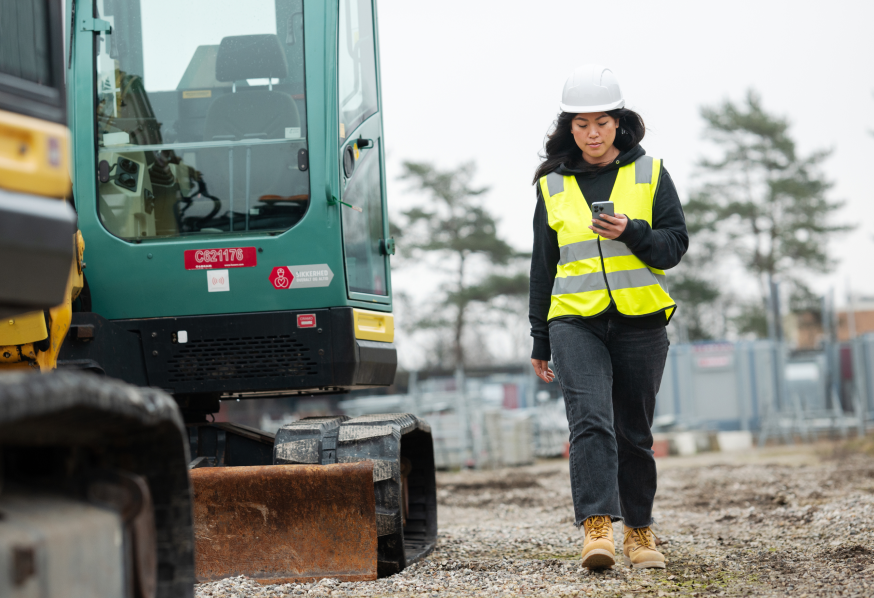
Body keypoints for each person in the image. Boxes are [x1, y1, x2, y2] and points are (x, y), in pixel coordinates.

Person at [528, 64, 688, 570]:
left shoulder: (651, 173)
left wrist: (631, 232)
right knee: (590, 422)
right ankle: (597, 529)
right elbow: (543, 267)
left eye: (602, 122)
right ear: (568, 128)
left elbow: (673, 247)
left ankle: (640, 533)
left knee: (633, 433)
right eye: (581, 124)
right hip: (574, 321)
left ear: (619, 123)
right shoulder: (552, 186)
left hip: (640, 321)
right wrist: (539, 339)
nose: (592, 133)